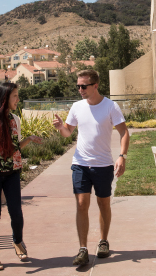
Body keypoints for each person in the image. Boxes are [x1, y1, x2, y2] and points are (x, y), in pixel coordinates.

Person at [53, 69, 129, 266]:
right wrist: (61, 127)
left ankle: (103, 242)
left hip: (103, 165)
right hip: (80, 164)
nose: (80, 89)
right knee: (81, 204)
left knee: (103, 203)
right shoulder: (77, 107)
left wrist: (122, 156)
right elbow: (68, 132)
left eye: (83, 86)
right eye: (78, 86)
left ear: (95, 85)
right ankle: (83, 249)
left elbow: (124, 132)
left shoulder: (111, 106)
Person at [0, 82, 43, 271]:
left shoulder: (15, 119)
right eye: (15, 96)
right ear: (4, 98)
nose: (17, 99)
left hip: (12, 172)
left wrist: (28, 139)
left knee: (16, 212)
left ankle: (18, 241)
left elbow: (14, 147)